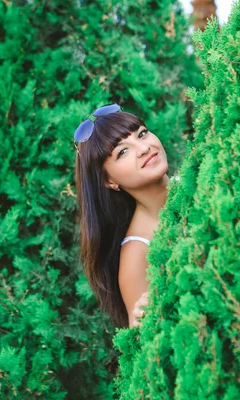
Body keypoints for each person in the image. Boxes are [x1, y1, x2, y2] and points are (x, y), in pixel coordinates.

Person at [74, 104, 171, 329]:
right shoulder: (137, 254)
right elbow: (147, 347)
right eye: (123, 152)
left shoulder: (202, 178)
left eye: (142, 134)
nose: (144, 148)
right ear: (109, 181)